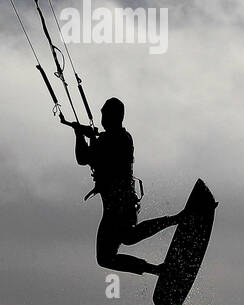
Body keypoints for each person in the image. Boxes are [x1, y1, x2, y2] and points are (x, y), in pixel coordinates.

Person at [70, 98, 182, 276]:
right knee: (126, 239)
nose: (103, 120)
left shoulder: (113, 139)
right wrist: (90, 137)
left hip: (118, 204)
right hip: (121, 202)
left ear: (115, 117)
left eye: (105, 115)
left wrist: (79, 135)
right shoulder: (122, 137)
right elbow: (97, 157)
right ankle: (172, 228)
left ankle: (176, 222)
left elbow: (83, 158)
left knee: (111, 252)